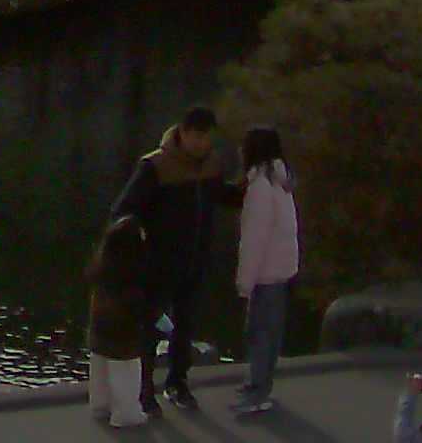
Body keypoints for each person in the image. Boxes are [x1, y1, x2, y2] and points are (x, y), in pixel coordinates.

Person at [112, 107, 234, 411]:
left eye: (206, 138)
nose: (201, 143)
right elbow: (124, 210)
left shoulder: (211, 166)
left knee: (186, 326)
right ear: (182, 132)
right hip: (158, 262)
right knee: (149, 327)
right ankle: (143, 389)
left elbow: (223, 196)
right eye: (196, 136)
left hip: (196, 259)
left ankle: (178, 383)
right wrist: (134, 246)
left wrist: (254, 186)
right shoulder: (155, 166)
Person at [234, 125, 301, 415]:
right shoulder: (281, 182)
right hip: (282, 268)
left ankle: (256, 392)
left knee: (260, 334)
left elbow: (254, 239)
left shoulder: (260, 187)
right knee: (271, 334)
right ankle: (260, 385)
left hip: (265, 272)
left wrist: (243, 282)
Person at [85, 216, 152, 430]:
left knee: (100, 368)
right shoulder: (130, 277)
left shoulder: (102, 269)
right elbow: (138, 307)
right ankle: (126, 413)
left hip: (99, 330)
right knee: (127, 373)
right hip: (123, 334)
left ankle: (100, 405)